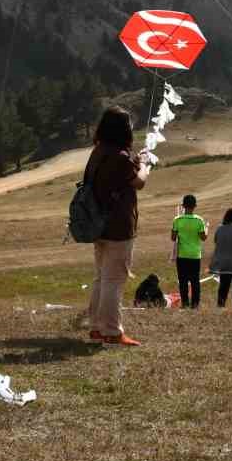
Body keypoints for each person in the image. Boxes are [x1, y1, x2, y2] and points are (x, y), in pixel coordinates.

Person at [87, 107, 149, 346]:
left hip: (99, 224)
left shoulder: (98, 151)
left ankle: (96, 328)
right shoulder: (121, 157)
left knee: (101, 277)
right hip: (118, 226)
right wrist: (143, 164)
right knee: (114, 280)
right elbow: (139, 182)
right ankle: (112, 332)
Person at [171, 194, 207, 310]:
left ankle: (185, 303)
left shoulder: (177, 220)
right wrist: (206, 228)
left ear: (183, 206)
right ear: (194, 206)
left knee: (183, 281)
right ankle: (195, 304)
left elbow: (173, 237)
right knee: (195, 280)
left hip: (182, 255)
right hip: (195, 255)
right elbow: (203, 238)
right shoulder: (199, 220)